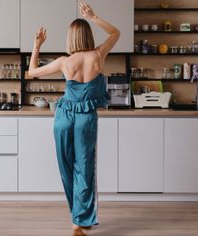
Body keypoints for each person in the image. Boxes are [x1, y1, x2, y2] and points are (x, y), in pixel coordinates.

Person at [29, 2, 120, 235]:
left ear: (70, 39)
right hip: (86, 118)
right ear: (88, 36)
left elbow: (32, 72)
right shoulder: (98, 54)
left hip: (64, 116)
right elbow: (116, 32)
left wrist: (36, 46)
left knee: (66, 166)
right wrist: (94, 16)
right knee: (85, 168)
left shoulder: (63, 62)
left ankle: (79, 217)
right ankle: (79, 219)